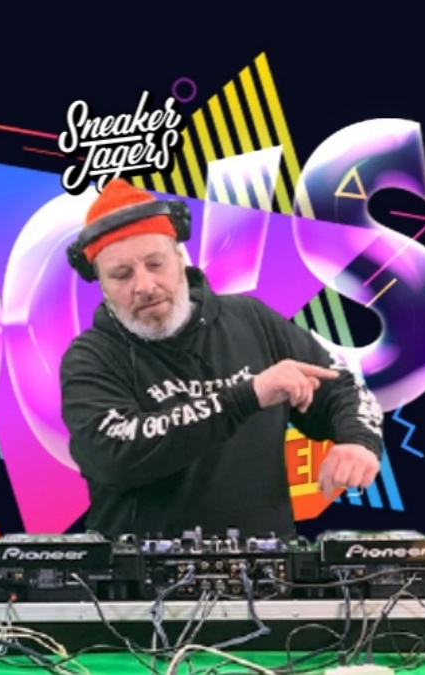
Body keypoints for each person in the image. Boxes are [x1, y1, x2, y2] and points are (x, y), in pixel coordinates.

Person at [60, 178, 384, 540]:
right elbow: (113, 455)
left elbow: (341, 387)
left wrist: (358, 441)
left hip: (267, 564)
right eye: (121, 275)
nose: (145, 286)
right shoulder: (90, 357)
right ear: (101, 284)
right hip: (137, 571)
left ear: (180, 258)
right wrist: (246, 396)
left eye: (156, 264)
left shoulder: (252, 319)